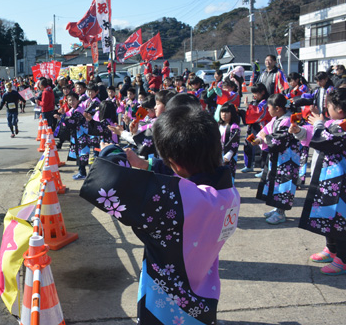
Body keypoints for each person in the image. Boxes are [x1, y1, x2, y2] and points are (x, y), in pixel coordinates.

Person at [80, 107, 240, 324]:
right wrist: (147, 164)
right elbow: (187, 179)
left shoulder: (178, 200)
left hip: (166, 303)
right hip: (205, 293)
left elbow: (107, 184)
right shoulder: (229, 194)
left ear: (173, 163)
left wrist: (111, 152)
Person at [293, 87, 346, 275]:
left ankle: (342, 260)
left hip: (342, 182)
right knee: (328, 215)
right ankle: (331, 249)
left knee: (340, 219)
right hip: (330, 179)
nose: (326, 110)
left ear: (340, 109)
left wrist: (319, 124)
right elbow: (313, 134)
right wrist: (299, 131)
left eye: (329, 106)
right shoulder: (336, 123)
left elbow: (322, 139)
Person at [249, 94, 304, 225]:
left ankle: (281, 212)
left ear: (278, 108)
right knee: (276, 183)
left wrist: (264, 138)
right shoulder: (276, 119)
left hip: (288, 160)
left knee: (284, 185)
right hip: (278, 158)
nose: (267, 110)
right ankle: (277, 208)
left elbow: (278, 138)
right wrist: (258, 139)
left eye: (269, 107)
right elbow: (266, 131)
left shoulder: (288, 120)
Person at [241, 83, 271, 173]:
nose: (254, 95)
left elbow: (259, 114)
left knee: (261, 148)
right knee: (248, 145)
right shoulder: (255, 101)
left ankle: (263, 168)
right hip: (252, 127)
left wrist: (248, 107)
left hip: (261, 127)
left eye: (256, 93)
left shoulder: (265, 102)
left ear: (262, 92)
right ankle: (248, 165)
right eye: (253, 93)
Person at [218, 103, 240, 179]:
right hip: (217, 154)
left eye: (227, 112)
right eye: (222, 112)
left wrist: (229, 154)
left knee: (228, 176)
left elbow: (235, 143)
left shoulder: (234, 127)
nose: (224, 114)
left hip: (228, 155)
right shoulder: (218, 125)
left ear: (232, 113)